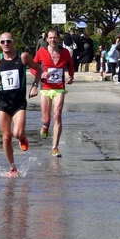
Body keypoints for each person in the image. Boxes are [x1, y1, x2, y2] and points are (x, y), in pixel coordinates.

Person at [0, 32, 42, 177]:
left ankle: (22, 136)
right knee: (6, 137)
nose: (5, 44)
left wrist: (35, 86)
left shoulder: (23, 57)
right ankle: (12, 167)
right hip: (3, 103)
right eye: (3, 42)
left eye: (8, 41)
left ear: (13, 42)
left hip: (19, 102)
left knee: (17, 133)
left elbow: (39, 70)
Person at [30, 28, 75, 158]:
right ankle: (45, 126)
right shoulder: (41, 51)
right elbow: (33, 67)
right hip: (45, 87)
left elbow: (71, 65)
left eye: (55, 37)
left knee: (57, 115)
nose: (52, 40)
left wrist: (71, 76)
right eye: (50, 38)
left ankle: (55, 147)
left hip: (59, 88)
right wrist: (41, 73)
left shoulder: (65, 52)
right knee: (46, 119)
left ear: (58, 38)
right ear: (46, 39)